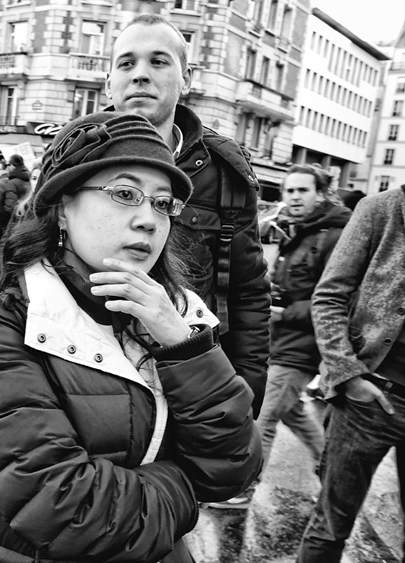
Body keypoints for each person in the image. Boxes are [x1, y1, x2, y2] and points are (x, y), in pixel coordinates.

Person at [0, 112, 261, 563]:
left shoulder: (177, 313)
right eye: (125, 194)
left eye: (162, 204)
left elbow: (236, 463)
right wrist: (189, 487)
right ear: (61, 208)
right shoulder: (3, 323)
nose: (148, 221)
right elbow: (67, 511)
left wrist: (184, 346)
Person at [106, 14, 270, 422]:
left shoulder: (225, 172)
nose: (140, 74)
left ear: (187, 78)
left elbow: (246, 294)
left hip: (186, 373)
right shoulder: (70, 158)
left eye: (158, 61)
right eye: (126, 63)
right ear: (109, 79)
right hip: (88, 370)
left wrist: (242, 400)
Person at [296, 185, 405, 562]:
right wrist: (349, 374)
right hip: (370, 397)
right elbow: (328, 296)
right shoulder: (381, 210)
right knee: (330, 527)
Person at [254, 165, 351, 484]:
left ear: (321, 194)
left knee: (262, 418)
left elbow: (339, 299)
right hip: (281, 341)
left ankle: (244, 490)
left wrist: (286, 313)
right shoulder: (300, 230)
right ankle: (329, 469)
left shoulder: (333, 236)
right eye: (289, 190)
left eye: (302, 190)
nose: (293, 197)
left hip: (302, 347)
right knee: (293, 414)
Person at [0, 153, 30, 262]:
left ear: (12, 166)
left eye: (7, 165)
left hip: (7, 224)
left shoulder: (10, 183)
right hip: (24, 223)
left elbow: (9, 207)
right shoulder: (28, 180)